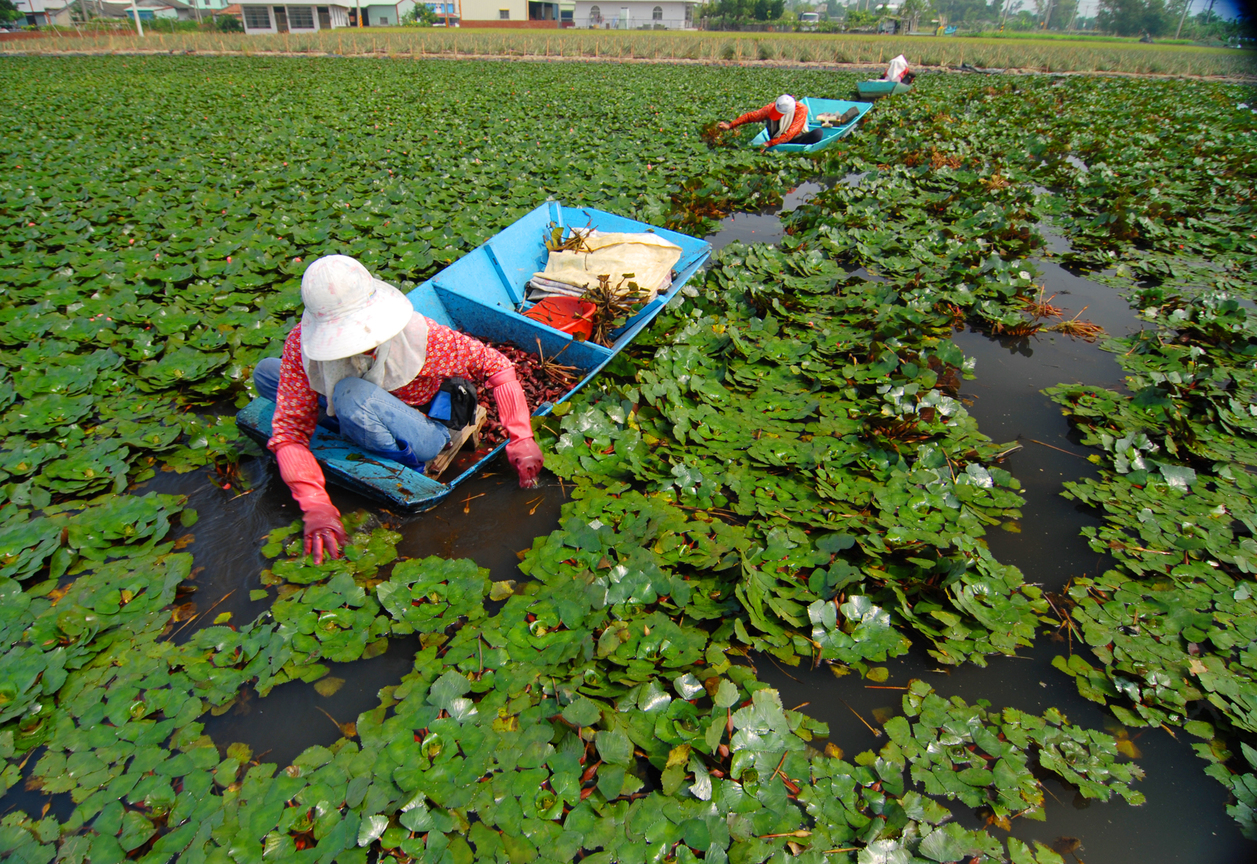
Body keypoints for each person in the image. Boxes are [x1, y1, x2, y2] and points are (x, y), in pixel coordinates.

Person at [254, 254, 544, 563]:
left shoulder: (421, 337)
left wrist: (521, 436)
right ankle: (353, 425)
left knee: (350, 394)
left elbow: (496, 366)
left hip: (423, 429)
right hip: (362, 404)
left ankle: (392, 456)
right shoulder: (300, 343)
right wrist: (314, 502)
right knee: (267, 372)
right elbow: (288, 432)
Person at [717, 95, 824, 150]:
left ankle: (798, 147)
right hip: (777, 135)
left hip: (796, 137)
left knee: (818, 133)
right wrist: (730, 125)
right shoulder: (771, 108)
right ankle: (777, 143)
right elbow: (750, 116)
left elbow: (791, 133)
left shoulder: (801, 110)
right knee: (768, 120)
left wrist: (768, 143)